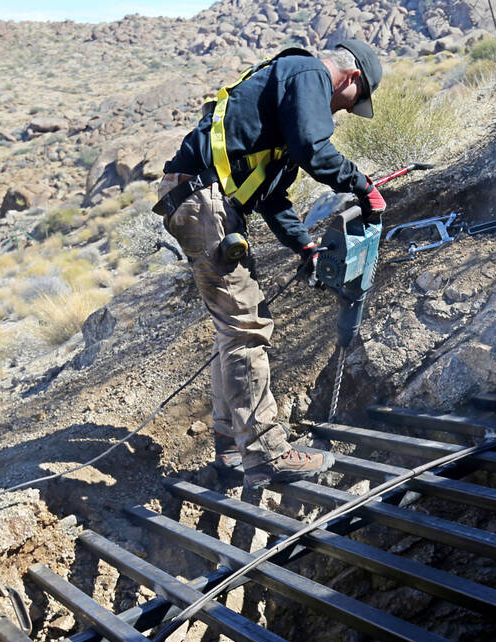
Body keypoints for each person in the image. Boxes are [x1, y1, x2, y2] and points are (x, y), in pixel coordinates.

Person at [153, 39, 387, 489]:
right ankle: (267, 454)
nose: (341, 113)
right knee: (246, 328)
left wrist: (306, 248)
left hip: (204, 202)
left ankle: (231, 445)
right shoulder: (306, 73)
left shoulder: (281, 108)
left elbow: (274, 198)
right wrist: (363, 186)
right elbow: (313, 149)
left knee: (236, 327)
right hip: (202, 199)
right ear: (351, 78)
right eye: (352, 104)